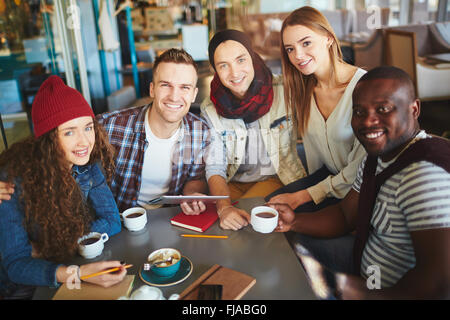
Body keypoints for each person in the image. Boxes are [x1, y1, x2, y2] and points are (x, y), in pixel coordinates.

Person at [270, 66, 450, 299]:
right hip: (366, 264)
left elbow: (439, 286)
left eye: (383, 109)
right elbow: (346, 216)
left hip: (388, 290)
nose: (368, 122)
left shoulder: (423, 176)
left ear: (414, 109)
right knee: (288, 248)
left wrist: (359, 291)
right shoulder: (377, 158)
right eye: (359, 112)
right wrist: (293, 221)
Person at [0, 76, 127, 299]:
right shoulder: (13, 181)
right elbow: (17, 265)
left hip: (68, 267)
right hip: (24, 288)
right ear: (48, 139)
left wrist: (51, 248)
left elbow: (112, 220)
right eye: (69, 132)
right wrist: (75, 271)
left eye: (88, 128)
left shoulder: (87, 164)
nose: (84, 142)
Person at [201, 29, 306, 231]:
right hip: (232, 181)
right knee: (219, 223)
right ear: (215, 69)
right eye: (224, 65)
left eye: (241, 60)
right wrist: (223, 207)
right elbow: (215, 165)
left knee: (243, 224)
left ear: (252, 57)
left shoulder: (285, 90)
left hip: (274, 178)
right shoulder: (210, 108)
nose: (234, 73)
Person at [266, 6, 367, 213]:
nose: (298, 55)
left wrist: (304, 196)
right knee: (270, 207)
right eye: (290, 49)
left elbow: (361, 169)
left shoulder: (364, 87)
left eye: (306, 43)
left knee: (284, 216)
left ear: (328, 38)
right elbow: (315, 161)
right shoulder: (303, 89)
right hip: (326, 183)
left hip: (361, 188)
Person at [87, 48, 211, 214]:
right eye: (166, 85)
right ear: (152, 89)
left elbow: (196, 178)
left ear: (194, 94)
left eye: (184, 87)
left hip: (169, 221)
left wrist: (190, 195)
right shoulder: (108, 126)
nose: (174, 96)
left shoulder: (201, 133)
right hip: (119, 225)